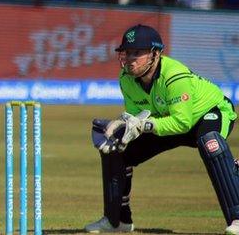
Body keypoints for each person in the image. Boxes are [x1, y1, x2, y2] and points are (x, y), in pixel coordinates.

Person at [85, 24, 238, 234]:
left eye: (137, 53)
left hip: (209, 113)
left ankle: (237, 218)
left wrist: (145, 125)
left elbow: (182, 123)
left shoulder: (174, 76)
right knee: (117, 149)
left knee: (210, 144)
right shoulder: (126, 79)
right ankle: (117, 221)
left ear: (155, 54)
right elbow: (137, 117)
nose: (129, 58)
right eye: (127, 52)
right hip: (166, 119)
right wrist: (125, 129)